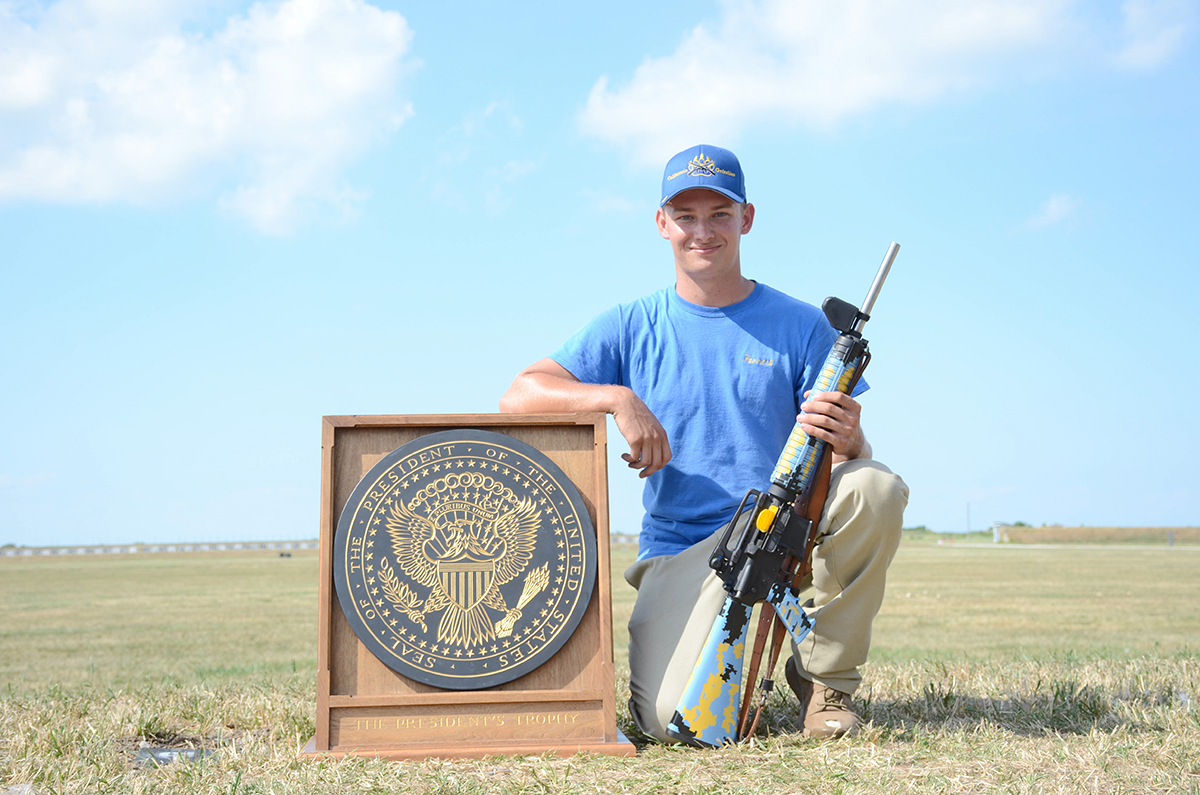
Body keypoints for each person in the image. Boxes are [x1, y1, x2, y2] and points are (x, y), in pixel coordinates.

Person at [499, 144, 908, 741]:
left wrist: (853, 436)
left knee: (876, 485)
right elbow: (520, 393)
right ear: (661, 223)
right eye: (685, 215)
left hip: (784, 533)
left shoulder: (800, 325)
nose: (702, 231)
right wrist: (617, 398)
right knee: (672, 726)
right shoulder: (631, 323)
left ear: (746, 219)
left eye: (719, 214)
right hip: (682, 552)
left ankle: (825, 682)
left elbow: (849, 465)